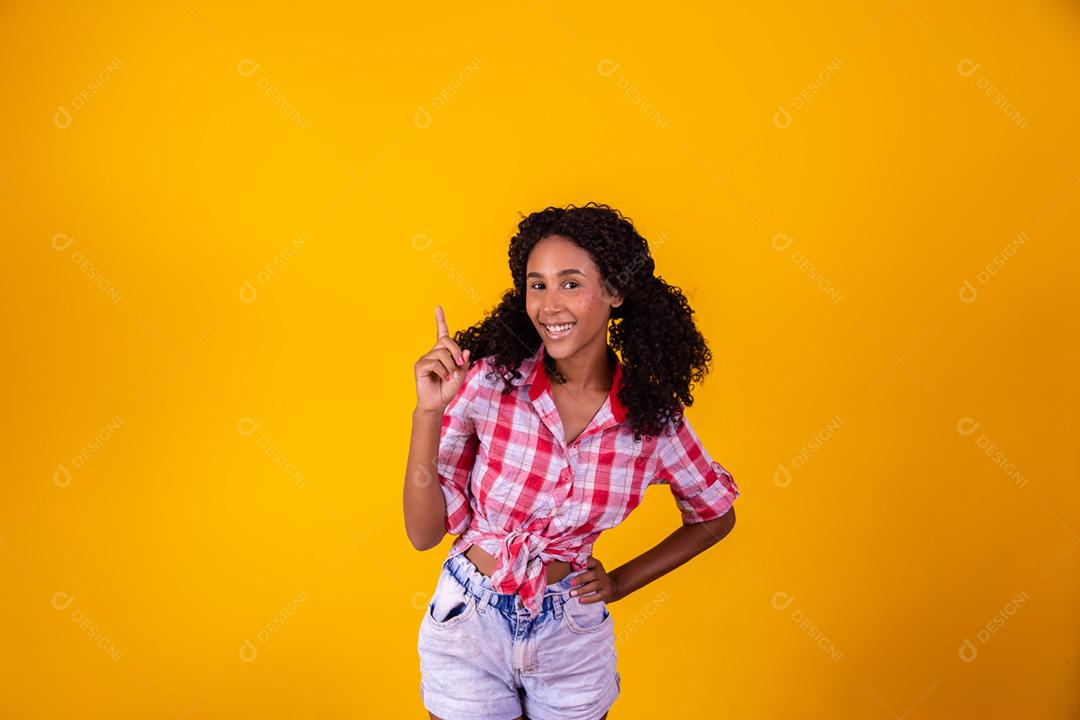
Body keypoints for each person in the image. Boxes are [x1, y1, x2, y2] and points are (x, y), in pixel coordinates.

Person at [404, 202, 740, 720]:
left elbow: (715, 515)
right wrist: (427, 414)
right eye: (536, 285)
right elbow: (423, 535)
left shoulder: (653, 419)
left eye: (570, 283)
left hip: (571, 634)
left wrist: (621, 583)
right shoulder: (492, 382)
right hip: (468, 622)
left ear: (614, 293)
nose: (549, 305)